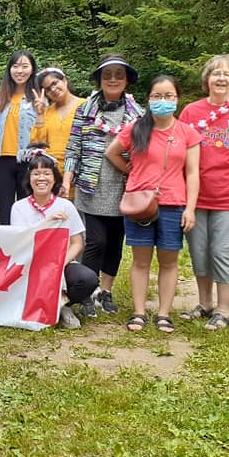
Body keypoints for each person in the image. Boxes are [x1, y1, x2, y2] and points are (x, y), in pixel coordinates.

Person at [106, 75, 200, 334]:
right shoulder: (136, 128)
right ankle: (138, 311)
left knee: (169, 260)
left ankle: (163, 313)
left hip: (173, 203)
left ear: (177, 99)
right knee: (140, 260)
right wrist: (131, 172)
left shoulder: (187, 133)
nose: (163, 101)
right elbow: (112, 151)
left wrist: (190, 208)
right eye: (157, 96)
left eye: (169, 96)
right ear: (148, 99)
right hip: (139, 203)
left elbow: (192, 173)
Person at [179, 55, 229, 330]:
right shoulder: (190, 112)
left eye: (227, 74)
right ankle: (205, 304)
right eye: (215, 73)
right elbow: (181, 152)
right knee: (199, 252)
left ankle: (225, 310)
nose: (221, 78)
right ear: (206, 80)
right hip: (196, 198)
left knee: (223, 251)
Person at [62, 56, 143, 315]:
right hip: (90, 187)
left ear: (127, 80)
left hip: (122, 188)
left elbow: (143, 152)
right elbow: (73, 147)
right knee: (95, 241)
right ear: (99, 79)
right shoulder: (85, 110)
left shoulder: (138, 114)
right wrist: (66, 180)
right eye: (107, 74)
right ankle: (88, 292)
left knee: (114, 242)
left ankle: (106, 292)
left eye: (119, 74)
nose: (113, 79)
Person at [10, 150, 100, 329]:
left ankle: (63, 304)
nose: (41, 178)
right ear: (29, 178)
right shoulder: (19, 207)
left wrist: (60, 263)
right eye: (36, 174)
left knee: (88, 279)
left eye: (46, 174)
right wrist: (47, 222)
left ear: (54, 179)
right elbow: (20, 242)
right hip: (29, 263)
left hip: (61, 263)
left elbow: (77, 243)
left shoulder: (66, 206)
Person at [0, 50, 39, 224]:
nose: (20, 71)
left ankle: (26, 250)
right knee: (5, 212)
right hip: (2, 161)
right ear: (9, 70)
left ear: (32, 69)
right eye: (15, 66)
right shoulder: (0, 99)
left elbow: (43, 131)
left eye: (25, 66)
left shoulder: (38, 99)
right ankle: (7, 250)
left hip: (27, 161)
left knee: (27, 212)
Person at [31, 68, 84, 172]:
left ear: (64, 80)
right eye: (48, 89)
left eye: (54, 83)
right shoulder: (47, 112)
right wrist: (40, 114)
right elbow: (38, 144)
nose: (53, 90)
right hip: (52, 172)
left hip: (79, 170)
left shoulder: (85, 106)